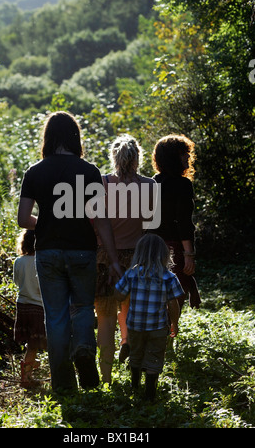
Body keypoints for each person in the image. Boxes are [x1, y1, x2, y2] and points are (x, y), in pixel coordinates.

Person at [17, 111, 121, 393]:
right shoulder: (89, 172)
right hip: (82, 252)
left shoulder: (35, 172)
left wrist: (48, 222)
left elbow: (24, 220)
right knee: (84, 307)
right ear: (75, 136)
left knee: (56, 315)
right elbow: (101, 220)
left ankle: (63, 384)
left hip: (48, 252)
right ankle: (85, 349)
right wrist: (113, 260)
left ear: (48, 136)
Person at [95, 135, 157, 384]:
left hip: (104, 259)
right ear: (137, 158)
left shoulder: (101, 184)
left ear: (114, 157)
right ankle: (134, 363)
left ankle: (106, 377)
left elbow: (95, 226)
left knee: (105, 318)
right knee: (134, 314)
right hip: (138, 259)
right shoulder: (150, 186)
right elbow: (152, 226)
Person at [115, 234, 184, 402]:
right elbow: (173, 303)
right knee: (154, 356)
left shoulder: (132, 274)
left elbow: (118, 294)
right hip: (158, 327)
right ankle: (150, 392)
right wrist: (174, 322)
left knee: (136, 354)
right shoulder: (168, 276)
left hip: (135, 326)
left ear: (139, 253)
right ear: (164, 254)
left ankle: (135, 385)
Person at [150, 134, 201, 312]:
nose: (188, 156)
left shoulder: (152, 182)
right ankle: (167, 336)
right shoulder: (182, 184)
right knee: (174, 296)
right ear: (173, 157)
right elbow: (183, 221)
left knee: (156, 298)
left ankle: (158, 336)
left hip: (151, 247)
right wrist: (189, 254)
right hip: (173, 249)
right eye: (183, 153)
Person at [13, 229, 47, 389]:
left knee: (31, 342)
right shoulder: (41, 261)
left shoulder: (18, 261)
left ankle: (29, 367)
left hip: (22, 305)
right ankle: (27, 374)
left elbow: (16, 282)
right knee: (37, 343)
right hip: (38, 306)